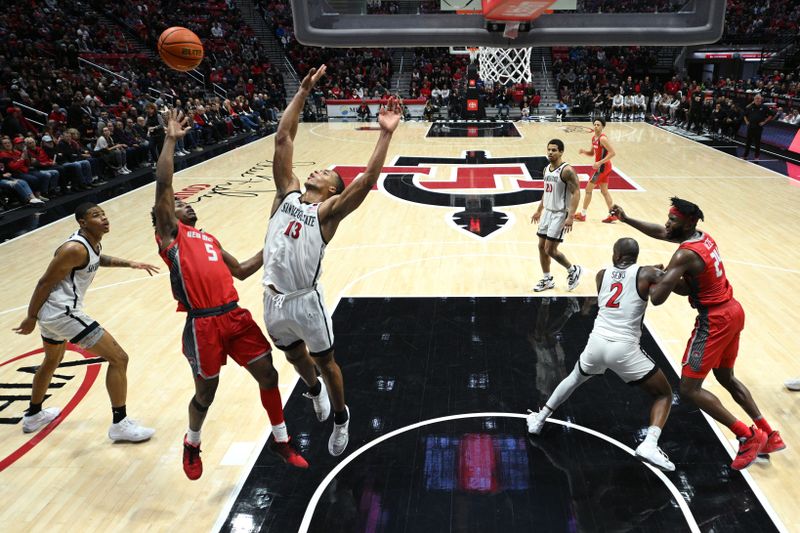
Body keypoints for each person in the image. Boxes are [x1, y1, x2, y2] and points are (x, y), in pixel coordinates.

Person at [152, 109, 307, 479]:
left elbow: (240, 270)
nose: (185, 204)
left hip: (234, 317)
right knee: (206, 395)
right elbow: (163, 186)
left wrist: (272, 245)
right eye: (178, 205)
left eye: (183, 204)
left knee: (269, 376)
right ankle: (192, 442)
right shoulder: (170, 237)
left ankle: (281, 440)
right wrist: (171, 140)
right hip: (203, 325)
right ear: (165, 218)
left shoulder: (208, 238)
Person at [264, 65, 402, 456]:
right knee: (293, 357)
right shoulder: (285, 195)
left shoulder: (327, 213)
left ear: (330, 189)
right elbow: (283, 138)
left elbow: (367, 180)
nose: (318, 169)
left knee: (326, 361)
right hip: (271, 298)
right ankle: (313, 392)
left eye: (327, 172)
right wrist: (302, 91)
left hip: (306, 301)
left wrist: (385, 134)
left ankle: (342, 417)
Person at [610, 198, 786, 470]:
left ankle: (747, 435)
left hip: (714, 320)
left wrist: (652, 274)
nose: (668, 224)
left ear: (688, 222)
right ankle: (769, 434)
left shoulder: (683, 255)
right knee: (726, 377)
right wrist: (627, 219)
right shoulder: (702, 238)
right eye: (668, 218)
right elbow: (667, 246)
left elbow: (657, 298)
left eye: (673, 220)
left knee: (689, 388)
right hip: (733, 311)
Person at [527, 238, 675, 471]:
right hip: (624, 348)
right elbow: (650, 282)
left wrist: (648, 271)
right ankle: (649, 443)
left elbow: (624, 281)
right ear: (636, 257)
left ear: (616, 256)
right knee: (664, 394)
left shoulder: (601, 275)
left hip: (596, 342)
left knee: (574, 379)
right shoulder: (648, 274)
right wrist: (658, 272)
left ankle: (539, 419)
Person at [13, 202, 157, 442]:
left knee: (51, 361)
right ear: (82, 222)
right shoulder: (73, 248)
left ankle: (34, 415)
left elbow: (97, 259)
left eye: (103, 214)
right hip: (63, 313)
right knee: (119, 358)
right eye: (95, 215)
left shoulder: (91, 242)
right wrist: (30, 316)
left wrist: (130, 263)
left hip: (54, 314)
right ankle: (120, 423)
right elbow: (44, 282)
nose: (103, 218)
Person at [531, 139, 583, 293]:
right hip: (547, 212)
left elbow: (576, 192)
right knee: (541, 247)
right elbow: (546, 191)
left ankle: (573, 269)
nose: (550, 153)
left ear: (561, 152)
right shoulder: (546, 169)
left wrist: (571, 216)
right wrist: (539, 210)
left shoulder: (567, 171)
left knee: (550, 249)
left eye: (554, 150)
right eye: (548, 150)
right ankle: (547, 279)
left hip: (560, 213)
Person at [575, 118, 617, 224]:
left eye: (598, 125)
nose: (596, 126)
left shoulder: (603, 139)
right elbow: (592, 153)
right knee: (604, 191)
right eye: (594, 124)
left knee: (588, 189)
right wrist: (584, 151)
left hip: (602, 168)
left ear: (603, 127)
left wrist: (599, 163)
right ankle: (613, 214)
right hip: (604, 167)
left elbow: (612, 153)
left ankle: (583, 214)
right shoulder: (594, 138)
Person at [743, 94, 774, 160]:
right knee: (748, 142)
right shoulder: (750, 106)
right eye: (756, 98)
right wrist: (746, 122)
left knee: (757, 143)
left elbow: (771, 115)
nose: (757, 99)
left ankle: (756, 157)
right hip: (750, 126)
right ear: (754, 99)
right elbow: (744, 114)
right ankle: (745, 155)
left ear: (761, 99)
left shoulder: (764, 107)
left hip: (758, 127)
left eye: (758, 98)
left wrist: (764, 122)